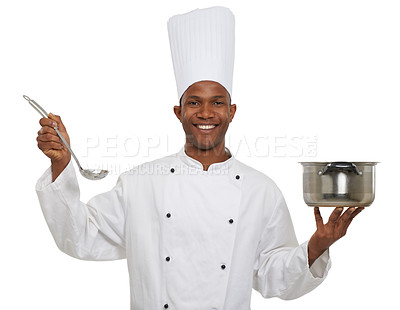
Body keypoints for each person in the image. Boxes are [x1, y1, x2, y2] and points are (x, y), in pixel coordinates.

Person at [35, 6, 364, 310]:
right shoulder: (140, 183)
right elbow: (79, 238)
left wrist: (315, 247)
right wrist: (61, 163)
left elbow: (272, 275)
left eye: (217, 102)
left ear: (232, 112)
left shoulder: (259, 190)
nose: (206, 113)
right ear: (179, 112)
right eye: (194, 102)